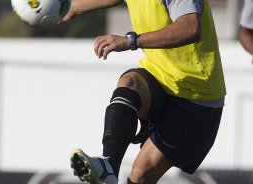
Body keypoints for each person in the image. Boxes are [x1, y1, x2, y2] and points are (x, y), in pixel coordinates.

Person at [60, 0, 226, 183]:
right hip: (160, 75)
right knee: (129, 83)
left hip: (197, 97)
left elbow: (191, 28)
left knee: (140, 176)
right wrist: (70, 7)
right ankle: (109, 165)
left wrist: (130, 41)